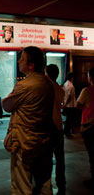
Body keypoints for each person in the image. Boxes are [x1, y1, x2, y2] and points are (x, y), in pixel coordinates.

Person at [2, 46, 55, 195]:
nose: (19, 61)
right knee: (44, 185)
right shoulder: (48, 84)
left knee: (22, 187)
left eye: (22, 59)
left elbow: (7, 105)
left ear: (31, 65)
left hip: (24, 143)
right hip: (44, 141)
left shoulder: (25, 85)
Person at [45, 64, 66, 195]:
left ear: (47, 74)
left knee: (46, 158)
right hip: (58, 127)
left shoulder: (45, 88)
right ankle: (61, 185)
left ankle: (45, 185)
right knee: (60, 159)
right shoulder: (60, 89)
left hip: (48, 127)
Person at [75, 67, 94, 188]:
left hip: (89, 127)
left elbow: (78, 105)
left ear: (90, 77)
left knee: (92, 154)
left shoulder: (87, 91)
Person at [63, 72, 76, 137]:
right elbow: (69, 96)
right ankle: (67, 132)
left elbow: (64, 95)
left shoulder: (65, 84)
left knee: (68, 119)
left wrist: (64, 103)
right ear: (72, 78)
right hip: (70, 105)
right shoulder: (71, 86)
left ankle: (66, 131)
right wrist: (65, 103)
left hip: (66, 104)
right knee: (69, 119)